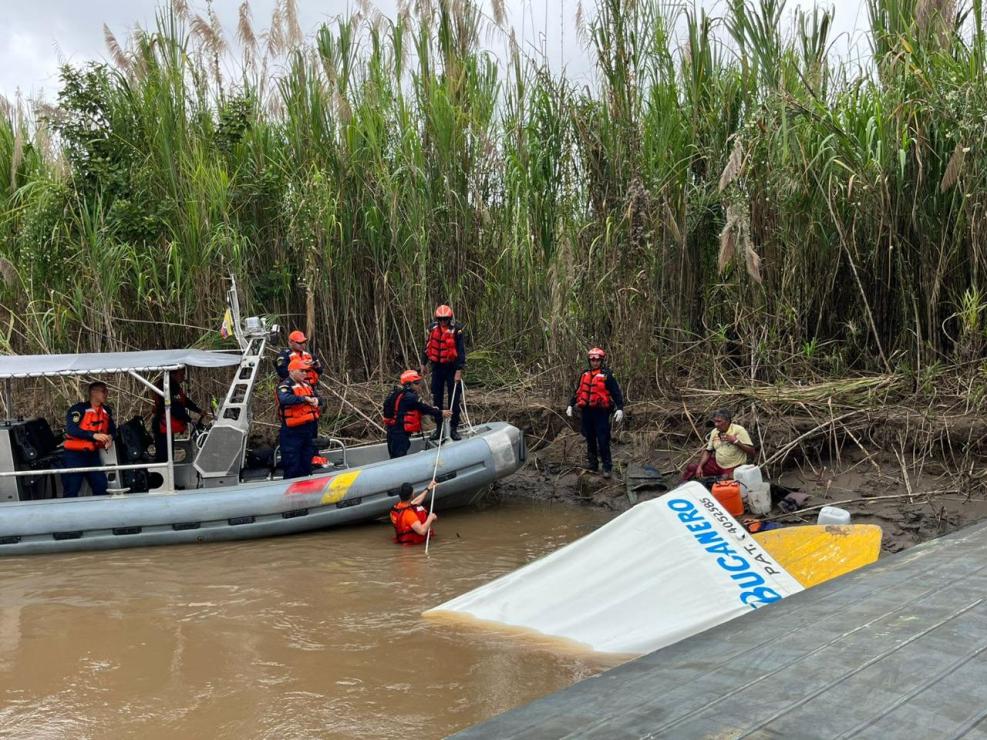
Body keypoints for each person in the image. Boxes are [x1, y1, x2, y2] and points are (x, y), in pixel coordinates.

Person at [566, 347, 625, 478]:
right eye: (592, 360)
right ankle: (593, 464)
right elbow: (579, 391)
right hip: (587, 411)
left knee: (603, 439)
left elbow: (616, 393)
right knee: (590, 438)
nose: (595, 362)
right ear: (589, 361)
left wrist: (620, 408)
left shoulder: (606, 376)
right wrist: (570, 405)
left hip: (601, 412)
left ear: (601, 360)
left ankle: (607, 467)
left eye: (597, 360)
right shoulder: (585, 374)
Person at [62, 381, 116, 497]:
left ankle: (101, 511)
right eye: (103, 391)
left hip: (92, 455)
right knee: (72, 488)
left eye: (106, 391)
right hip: (74, 455)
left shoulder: (106, 411)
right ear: (93, 392)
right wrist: (93, 435)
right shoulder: (78, 410)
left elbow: (112, 429)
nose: (106, 394)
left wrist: (111, 437)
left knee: (101, 485)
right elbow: (72, 430)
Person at [420, 304, 466, 441]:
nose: (443, 321)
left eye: (445, 319)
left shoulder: (457, 330)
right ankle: (439, 428)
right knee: (437, 398)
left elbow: (461, 352)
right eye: (440, 319)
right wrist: (423, 363)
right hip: (437, 368)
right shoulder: (432, 329)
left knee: (454, 399)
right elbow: (428, 347)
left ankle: (453, 428)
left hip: (452, 368)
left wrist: (459, 370)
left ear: (449, 318)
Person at [383, 370, 451, 459]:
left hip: (392, 430)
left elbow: (413, 408)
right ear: (408, 384)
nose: (419, 386)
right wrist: (441, 412)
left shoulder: (397, 393)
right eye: (416, 383)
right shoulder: (410, 397)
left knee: (394, 455)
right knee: (399, 457)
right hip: (400, 433)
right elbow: (423, 408)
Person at [681, 408, 756, 481]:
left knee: (725, 479)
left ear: (727, 421)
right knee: (692, 467)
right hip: (718, 465)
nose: (716, 424)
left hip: (733, 466)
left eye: (719, 421)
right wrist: (700, 467)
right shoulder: (714, 432)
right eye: (715, 421)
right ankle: (685, 485)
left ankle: (720, 480)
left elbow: (752, 452)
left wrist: (736, 441)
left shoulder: (739, 431)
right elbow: (708, 451)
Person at [151, 368, 209, 462]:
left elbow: (184, 400)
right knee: (163, 458)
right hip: (161, 427)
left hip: (167, 427)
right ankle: (160, 475)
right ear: (173, 374)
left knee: (169, 455)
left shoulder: (174, 386)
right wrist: (189, 419)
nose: (183, 377)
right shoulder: (166, 386)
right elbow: (174, 407)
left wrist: (198, 410)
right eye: (181, 375)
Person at [277, 357, 321, 479]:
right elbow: (284, 399)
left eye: (306, 371)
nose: (304, 373)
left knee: (307, 461)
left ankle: (307, 485)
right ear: (292, 371)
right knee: (292, 464)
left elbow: (319, 399)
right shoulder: (285, 385)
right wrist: (303, 399)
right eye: (301, 371)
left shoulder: (307, 385)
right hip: (292, 432)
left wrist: (317, 400)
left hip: (308, 430)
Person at [389, 481, 438, 545]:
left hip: (403, 543)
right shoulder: (409, 515)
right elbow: (422, 531)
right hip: (412, 548)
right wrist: (430, 518)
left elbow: (414, 502)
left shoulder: (396, 508)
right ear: (412, 495)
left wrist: (428, 489)